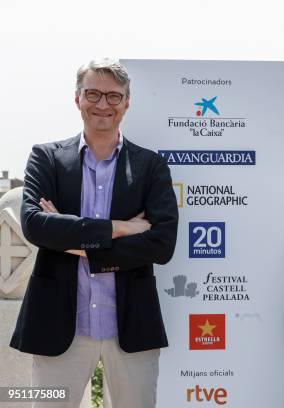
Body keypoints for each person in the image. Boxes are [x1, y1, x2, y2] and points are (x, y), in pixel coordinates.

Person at [10, 58, 178, 408]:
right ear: (77, 99)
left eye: (114, 97)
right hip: (58, 327)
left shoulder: (150, 166)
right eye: (93, 94)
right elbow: (35, 225)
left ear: (127, 104)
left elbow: (162, 244)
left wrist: (74, 240)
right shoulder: (47, 158)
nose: (103, 104)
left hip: (131, 328)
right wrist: (121, 228)